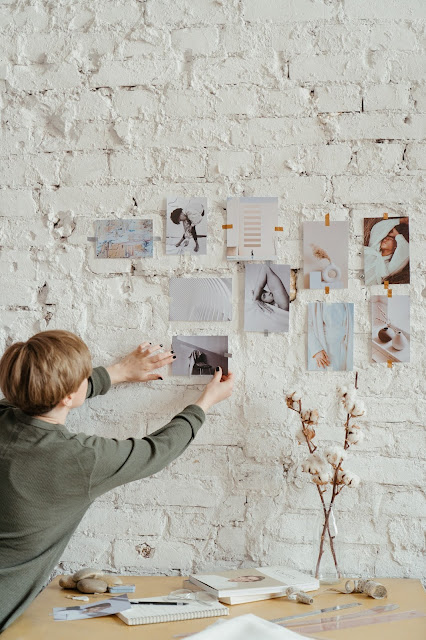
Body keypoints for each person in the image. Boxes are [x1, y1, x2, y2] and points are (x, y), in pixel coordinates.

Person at [0, 330, 234, 632]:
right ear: (69, 395)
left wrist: (119, 372)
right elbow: (158, 450)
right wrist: (205, 403)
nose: (88, 378)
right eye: (84, 377)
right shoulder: (81, 459)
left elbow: (44, 392)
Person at [308, 302, 354, 371]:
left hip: (343, 348)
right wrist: (316, 350)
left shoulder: (348, 300)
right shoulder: (316, 300)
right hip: (323, 350)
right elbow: (307, 325)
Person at [364, 217, 409, 286]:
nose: (385, 239)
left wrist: (397, 235)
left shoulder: (387, 268)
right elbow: (377, 228)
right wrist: (400, 220)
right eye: (385, 238)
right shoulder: (373, 249)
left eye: (389, 238)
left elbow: (405, 251)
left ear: (396, 246)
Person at [245, 264, 290, 333]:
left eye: (266, 291)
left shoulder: (283, 304)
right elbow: (265, 269)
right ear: (262, 303)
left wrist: (255, 299)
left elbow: (265, 268)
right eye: (264, 296)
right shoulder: (282, 305)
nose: (269, 293)